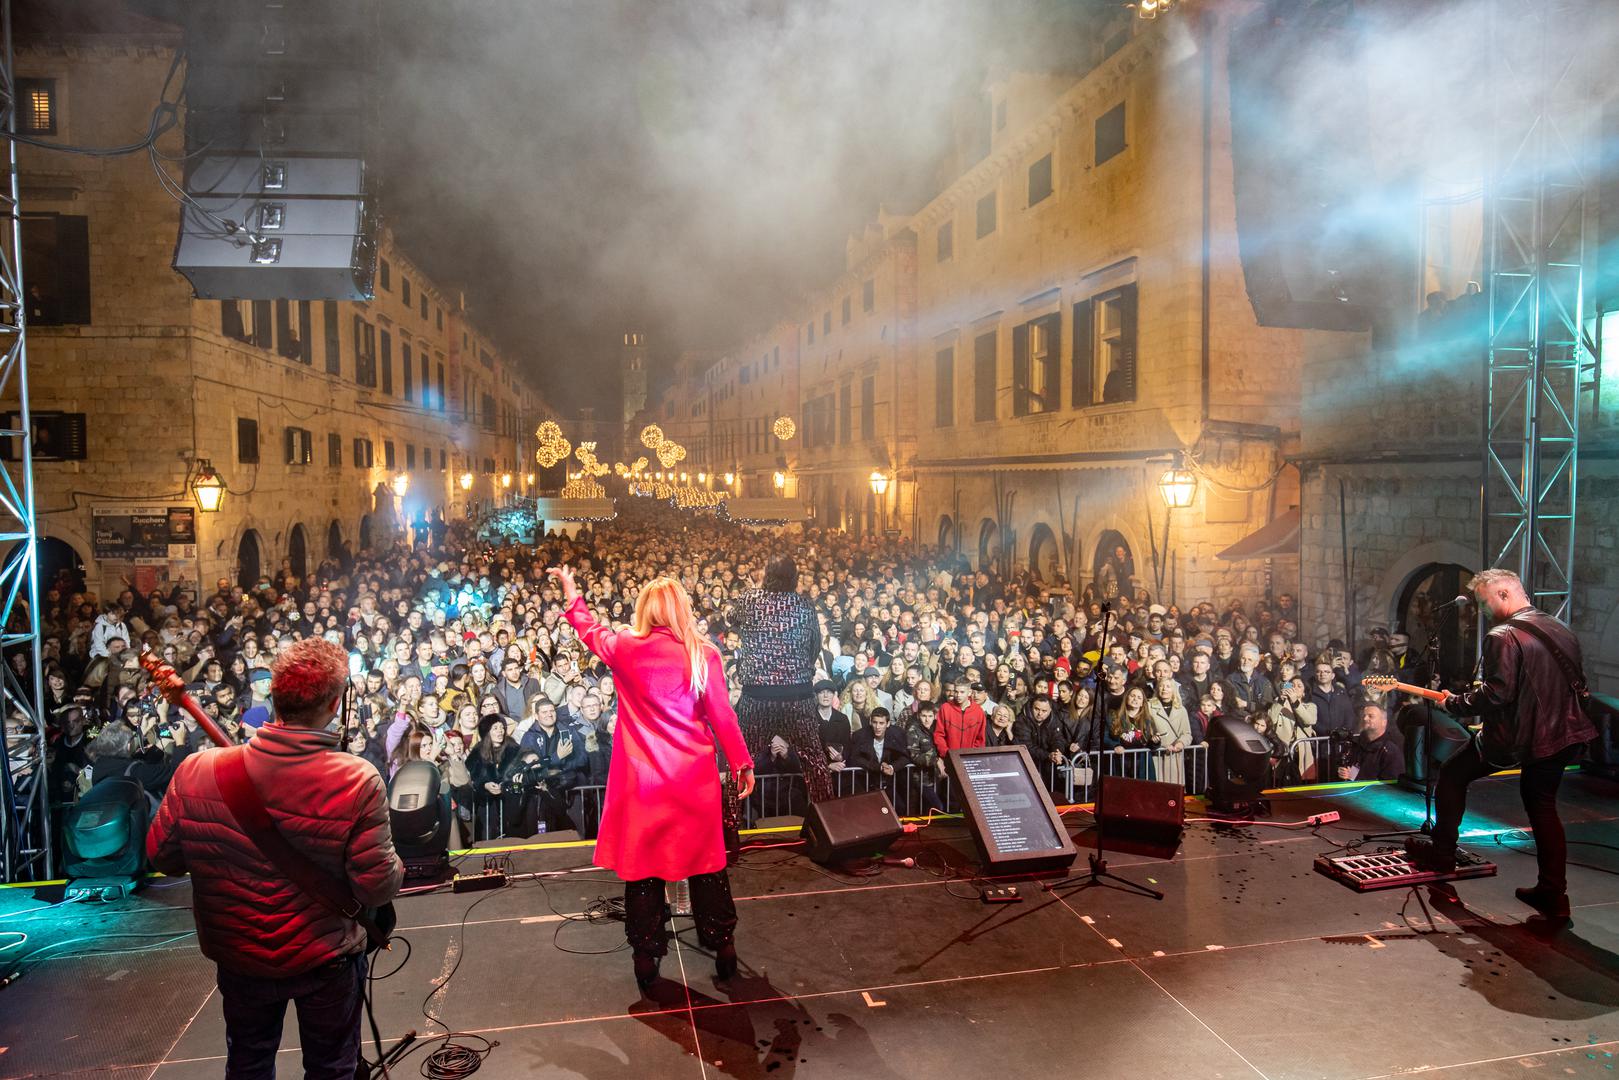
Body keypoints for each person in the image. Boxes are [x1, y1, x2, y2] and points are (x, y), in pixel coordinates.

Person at [146, 638, 404, 1080]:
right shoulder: (356, 779)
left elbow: (162, 857)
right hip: (324, 956)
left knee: (247, 1065)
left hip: (239, 954)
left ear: (274, 697)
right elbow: (375, 887)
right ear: (336, 703)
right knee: (331, 1070)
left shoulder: (197, 770)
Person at [551, 564, 755, 990]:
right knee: (706, 869)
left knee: (644, 874)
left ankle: (646, 959)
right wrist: (741, 762)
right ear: (683, 609)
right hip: (693, 781)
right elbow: (722, 715)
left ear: (645, 609)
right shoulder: (704, 653)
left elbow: (589, 631)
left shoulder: (627, 647)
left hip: (644, 785)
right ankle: (724, 951)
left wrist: (572, 592)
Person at [1408, 569, 1597, 920]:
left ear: (1505, 593)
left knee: (1452, 774)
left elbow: (1498, 693)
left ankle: (1444, 854)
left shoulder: (1503, 635)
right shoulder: (1559, 628)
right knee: (1543, 809)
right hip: (1563, 735)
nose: (1482, 610)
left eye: (1484, 601)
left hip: (1519, 739)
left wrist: (1454, 703)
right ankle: (1553, 895)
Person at [732, 557, 834, 803]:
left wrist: (755, 591)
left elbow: (731, 619)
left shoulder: (750, 600)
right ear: (794, 577)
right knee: (815, 762)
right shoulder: (805, 605)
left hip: (757, 696)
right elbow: (814, 647)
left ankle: (728, 830)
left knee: (740, 760)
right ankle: (831, 830)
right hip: (797, 695)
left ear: (767, 575)